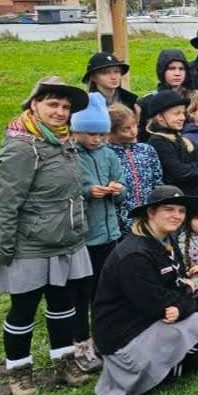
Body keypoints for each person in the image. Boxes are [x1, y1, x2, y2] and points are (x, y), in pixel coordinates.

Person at [0, 77, 95, 395]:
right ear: (34, 105)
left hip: (66, 239)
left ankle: (63, 362)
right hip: (31, 244)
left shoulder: (62, 141)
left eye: (66, 107)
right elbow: (7, 200)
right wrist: (5, 246)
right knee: (23, 310)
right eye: (53, 104)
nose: (60, 112)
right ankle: (19, 370)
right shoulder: (22, 146)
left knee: (63, 305)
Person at [91, 185, 198, 395]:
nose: (176, 216)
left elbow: (175, 289)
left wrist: (180, 300)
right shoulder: (134, 254)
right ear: (151, 212)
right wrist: (185, 296)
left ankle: (166, 362)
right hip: (123, 333)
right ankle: (131, 367)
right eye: (169, 209)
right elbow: (155, 304)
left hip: (150, 318)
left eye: (181, 211)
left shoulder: (166, 242)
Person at [71, 95, 125, 373]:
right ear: (76, 131)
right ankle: (81, 343)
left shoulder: (108, 154)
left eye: (101, 134)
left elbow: (122, 182)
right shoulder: (71, 155)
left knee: (105, 292)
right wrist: (87, 192)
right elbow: (69, 189)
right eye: (91, 134)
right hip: (84, 237)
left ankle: (106, 338)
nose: (97, 139)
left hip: (109, 234)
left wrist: (117, 189)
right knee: (82, 292)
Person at [143, 90, 198, 198]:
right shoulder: (158, 141)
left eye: (183, 113)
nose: (182, 118)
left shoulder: (183, 139)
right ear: (160, 116)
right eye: (176, 113)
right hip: (171, 198)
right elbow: (177, 172)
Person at [107, 104, 163, 234]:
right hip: (121, 220)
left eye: (135, 126)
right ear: (110, 132)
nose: (133, 131)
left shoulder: (146, 149)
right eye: (126, 129)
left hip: (149, 216)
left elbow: (157, 180)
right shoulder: (107, 154)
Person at [137, 49, 191, 135]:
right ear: (162, 71)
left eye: (181, 69)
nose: (177, 73)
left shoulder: (192, 98)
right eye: (171, 69)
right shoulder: (147, 101)